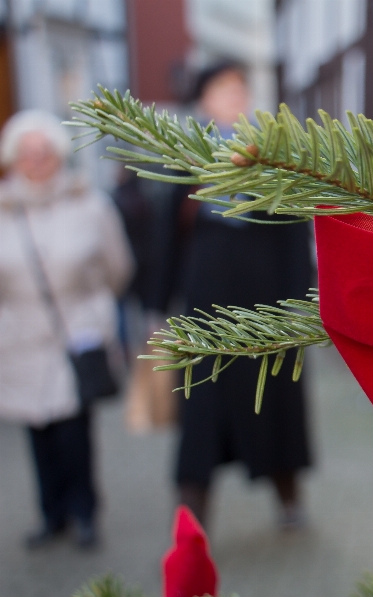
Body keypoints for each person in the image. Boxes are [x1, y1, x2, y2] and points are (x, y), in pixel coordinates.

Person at [145, 62, 314, 529]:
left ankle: (290, 501)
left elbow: (296, 234)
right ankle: (192, 524)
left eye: (240, 86)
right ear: (204, 101)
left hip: (269, 309)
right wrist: (156, 308)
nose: (235, 94)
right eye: (223, 88)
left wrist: (304, 306)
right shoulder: (185, 158)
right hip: (204, 316)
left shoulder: (276, 154)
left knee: (275, 407)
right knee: (201, 419)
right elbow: (166, 239)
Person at [0, 110, 134, 549]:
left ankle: (84, 513)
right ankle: (50, 513)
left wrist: (95, 313)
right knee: (37, 433)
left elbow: (118, 267)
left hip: (76, 335)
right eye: (27, 154)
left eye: (43, 153)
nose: (35, 162)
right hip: (20, 339)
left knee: (75, 431)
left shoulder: (90, 205)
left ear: (58, 156)